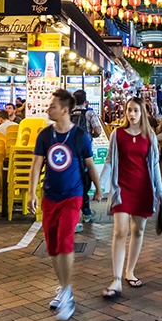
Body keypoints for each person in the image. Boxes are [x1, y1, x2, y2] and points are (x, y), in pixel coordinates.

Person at [27, 89, 101, 321]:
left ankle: (67, 292)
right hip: (50, 196)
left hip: (72, 195)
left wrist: (98, 188)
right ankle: (62, 286)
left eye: (53, 106)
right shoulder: (45, 136)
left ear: (65, 110)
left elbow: (89, 165)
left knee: (66, 242)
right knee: (53, 247)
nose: (49, 109)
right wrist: (31, 192)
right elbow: (36, 165)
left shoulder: (80, 136)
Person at [99, 96, 162, 300]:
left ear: (143, 113)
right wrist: (101, 186)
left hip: (143, 188)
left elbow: (155, 165)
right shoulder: (117, 134)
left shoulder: (150, 136)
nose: (132, 114)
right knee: (120, 230)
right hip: (121, 188)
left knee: (138, 229)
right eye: (129, 110)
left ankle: (130, 271)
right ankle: (116, 279)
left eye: (136, 111)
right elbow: (110, 161)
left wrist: (161, 191)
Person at [71, 89, 104, 227]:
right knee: (86, 178)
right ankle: (86, 211)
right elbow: (98, 131)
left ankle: (74, 211)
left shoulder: (70, 114)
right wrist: (91, 136)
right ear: (86, 101)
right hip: (86, 151)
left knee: (74, 180)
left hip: (71, 152)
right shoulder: (90, 113)